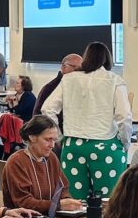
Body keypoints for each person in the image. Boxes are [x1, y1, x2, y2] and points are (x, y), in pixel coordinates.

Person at [42, 42, 132, 199]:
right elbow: (124, 116)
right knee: (109, 202)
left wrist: (60, 137)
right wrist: (125, 143)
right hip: (106, 147)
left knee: (74, 202)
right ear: (108, 59)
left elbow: (47, 109)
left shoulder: (68, 79)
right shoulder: (115, 80)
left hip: (73, 146)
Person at [2, 115, 83, 215]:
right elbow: (24, 203)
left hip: (50, 217)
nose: (52, 145)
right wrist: (58, 205)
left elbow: (63, 187)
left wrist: (68, 202)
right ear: (32, 137)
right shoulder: (16, 162)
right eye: (48, 139)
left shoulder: (51, 157)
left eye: (54, 140)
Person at [32, 53, 82, 128]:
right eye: (75, 67)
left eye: (81, 69)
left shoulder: (78, 87)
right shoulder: (50, 87)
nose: (79, 72)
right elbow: (38, 115)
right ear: (63, 67)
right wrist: (56, 133)